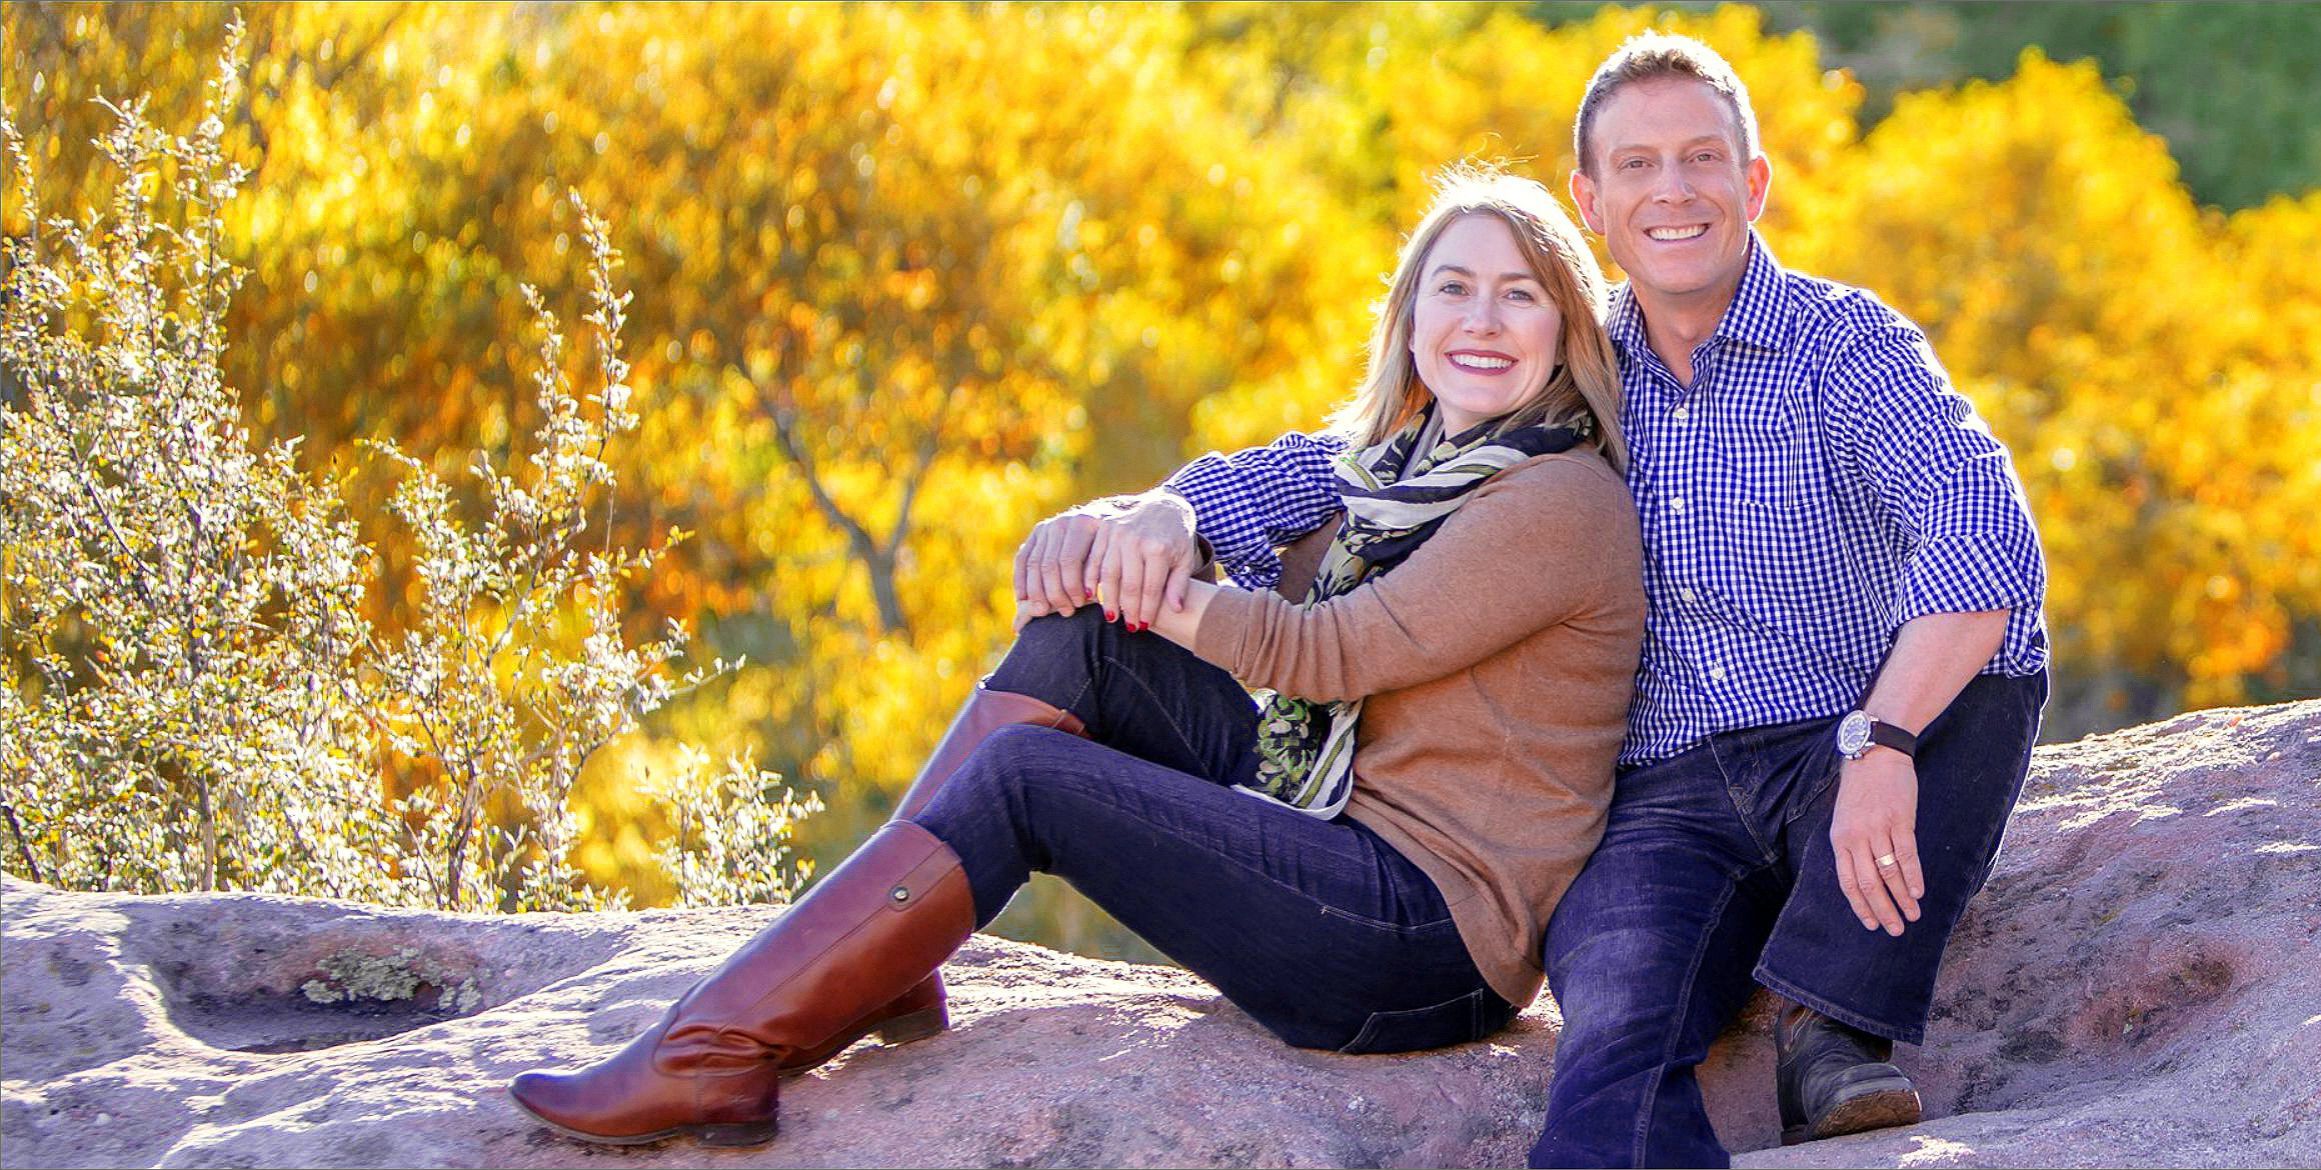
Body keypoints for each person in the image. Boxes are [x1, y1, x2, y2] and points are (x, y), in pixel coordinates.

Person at [1016, 32, 2049, 1169]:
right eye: (1638, 166)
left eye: (1702, 159)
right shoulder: (1569, 357)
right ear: (1591, 199)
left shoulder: (1845, 345)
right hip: (1661, 799)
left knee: (1994, 669)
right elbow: (1353, 459)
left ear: (1752, 184)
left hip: (1837, 747)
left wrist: (1887, 738)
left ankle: (1832, 1025)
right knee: (1611, 1050)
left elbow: (1986, 534)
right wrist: (1177, 509)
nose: (1674, 191)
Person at [506, 166, 1647, 1148]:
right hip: (1338, 826)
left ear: (1565, 331)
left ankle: (721, 1047)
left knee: (1031, 782)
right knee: (1087, 644)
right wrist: (1118, 530)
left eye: (1520, 295)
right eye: (1454, 288)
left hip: (1421, 940)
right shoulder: (1400, 466)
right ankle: (889, 956)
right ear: (1408, 319)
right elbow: (1245, 488)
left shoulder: (1556, 499)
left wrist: (1160, 583)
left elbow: (1331, 654)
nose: (1482, 320)